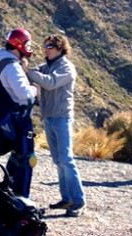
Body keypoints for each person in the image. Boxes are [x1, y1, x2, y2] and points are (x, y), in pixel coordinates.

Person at [23, 34, 86, 217]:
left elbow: (50, 83)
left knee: (66, 159)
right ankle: (66, 199)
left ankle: (79, 201)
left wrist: (30, 72)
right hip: (49, 117)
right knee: (58, 160)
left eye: (50, 46)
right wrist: (30, 72)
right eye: (45, 46)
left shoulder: (66, 67)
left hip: (62, 118)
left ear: (60, 48)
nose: (46, 49)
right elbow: (36, 74)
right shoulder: (47, 66)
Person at [0, 28, 38, 198]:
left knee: (17, 156)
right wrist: (35, 89)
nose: (28, 47)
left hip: (9, 117)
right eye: (26, 44)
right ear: (18, 44)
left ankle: (6, 191)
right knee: (26, 158)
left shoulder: (1, 61)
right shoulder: (11, 66)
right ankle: (22, 198)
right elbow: (23, 93)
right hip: (19, 119)